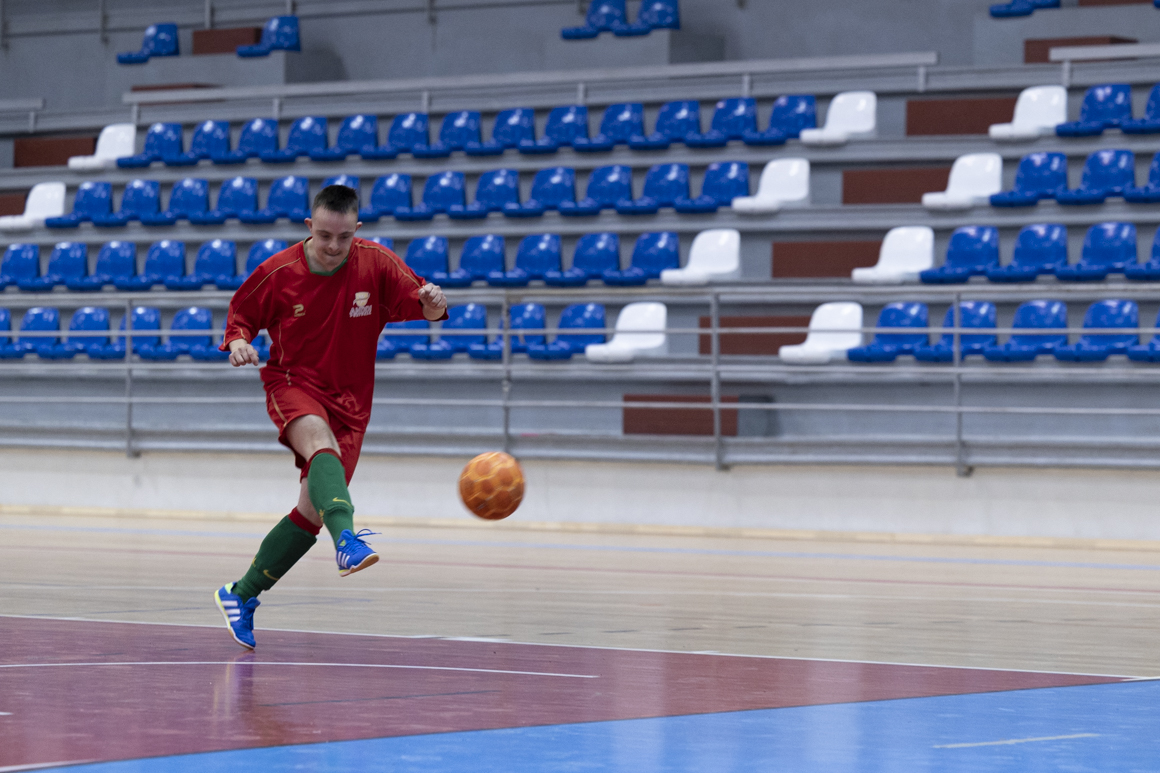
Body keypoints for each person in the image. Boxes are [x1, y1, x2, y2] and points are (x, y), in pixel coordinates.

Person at [212, 184, 447, 649]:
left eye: (343, 237)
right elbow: (241, 313)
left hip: (353, 404)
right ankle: (349, 544)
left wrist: (433, 306)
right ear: (309, 228)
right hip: (293, 385)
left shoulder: (376, 262)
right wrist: (238, 340)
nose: (334, 246)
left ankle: (240, 595)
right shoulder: (277, 272)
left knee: (309, 512)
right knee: (319, 444)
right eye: (324, 236)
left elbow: (419, 303)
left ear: (356, 231)